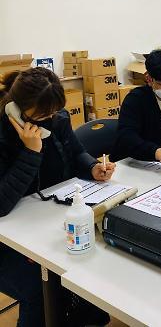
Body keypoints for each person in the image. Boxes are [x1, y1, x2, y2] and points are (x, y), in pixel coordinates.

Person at [0, 67, 116, 327]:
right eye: (43, 115)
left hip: (47, 220)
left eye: (54, 112)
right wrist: (31, 152)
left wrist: (92, 167)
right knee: (40, 286)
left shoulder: (57, 118)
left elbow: (76, 152)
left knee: (91, 256)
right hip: (8, 240)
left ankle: (86, 319)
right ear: (16, 109)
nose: (50, 119)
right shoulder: (3, 133)